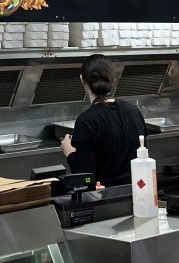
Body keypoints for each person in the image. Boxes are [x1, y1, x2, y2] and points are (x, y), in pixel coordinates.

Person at [60, 54, 148, 186]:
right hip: (138, 193)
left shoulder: (86, 121)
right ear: (113, 79)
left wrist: (69, 152)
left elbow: (86, 179)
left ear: (82, 79)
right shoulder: (134, 111)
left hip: (105, 201)